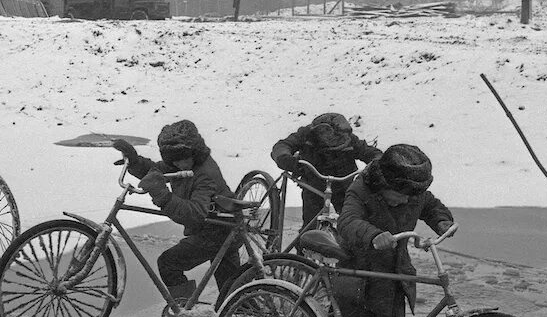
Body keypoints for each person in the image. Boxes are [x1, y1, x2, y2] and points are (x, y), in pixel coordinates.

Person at [334, 144, 455, 317]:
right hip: (357, 274)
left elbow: (431, 205)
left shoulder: (413, 192)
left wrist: (442, 221)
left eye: (411, 196)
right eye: (399, 195)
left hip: (393, 276)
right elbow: (347, 221)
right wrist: (373, 235)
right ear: (383, 183)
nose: (405, 201)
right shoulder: (362, 189)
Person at [112, 120, 240, 303]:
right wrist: (135, 161)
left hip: (218, 231)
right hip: (220, 225)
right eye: (174, 160)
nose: (179, 164)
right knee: (232, 295)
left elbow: (194, 214)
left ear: (194, 151)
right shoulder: (185, 163)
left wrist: (163, 195)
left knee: (168, 263)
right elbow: (156, 171)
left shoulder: (204, 173)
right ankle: (244, 315)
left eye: (183, 158)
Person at [270, 112, 382, 226]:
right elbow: (283, 146)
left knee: (352, 222)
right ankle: (305, 242)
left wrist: (377, 163)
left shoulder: (349, 139)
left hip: (343, 186)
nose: (336, 140)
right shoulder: (306, 135)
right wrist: (285, 159)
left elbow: (370, 152)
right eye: (331, 137)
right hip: (313, 185)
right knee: (311, 225)